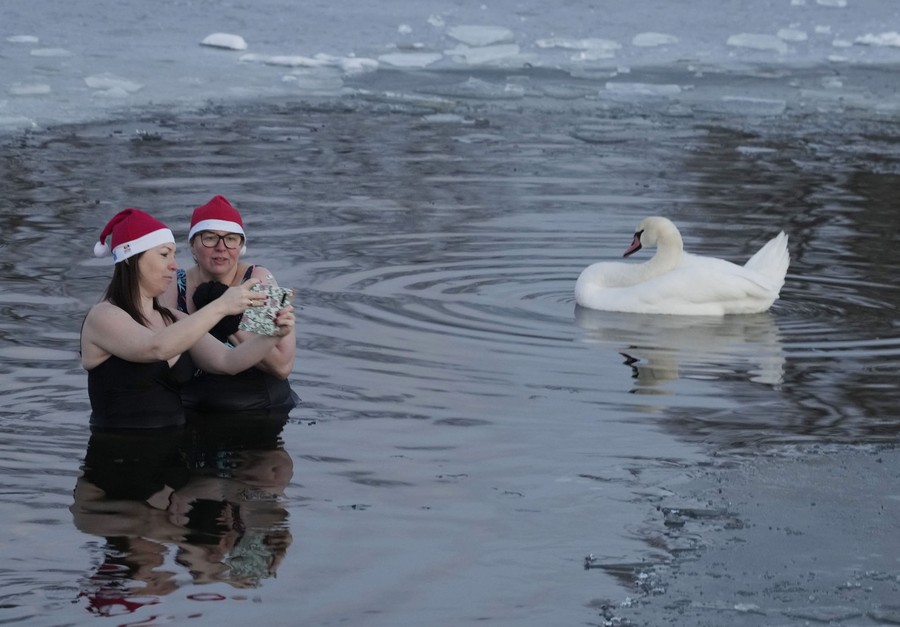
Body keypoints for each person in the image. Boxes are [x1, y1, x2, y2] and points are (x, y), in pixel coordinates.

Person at [80, 208, 294, 430]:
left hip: (176, 453)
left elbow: (228, 362)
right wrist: (220, 307)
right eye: (164, 255)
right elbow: (156, 348)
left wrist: (273, 336)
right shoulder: (103, 315)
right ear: (130, 259)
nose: (174, 264)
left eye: (173, 255)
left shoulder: (173, 317)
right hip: (119, 455)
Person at [160, 195, 298, 412]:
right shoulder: (174, 286)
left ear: (241, 245)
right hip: (195, 408)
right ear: (192, 246)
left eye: (231, 239)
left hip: (260, 407)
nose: (221, 247)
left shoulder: (256, 281)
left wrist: (226, 319)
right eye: (210, 238)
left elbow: (282, 367)